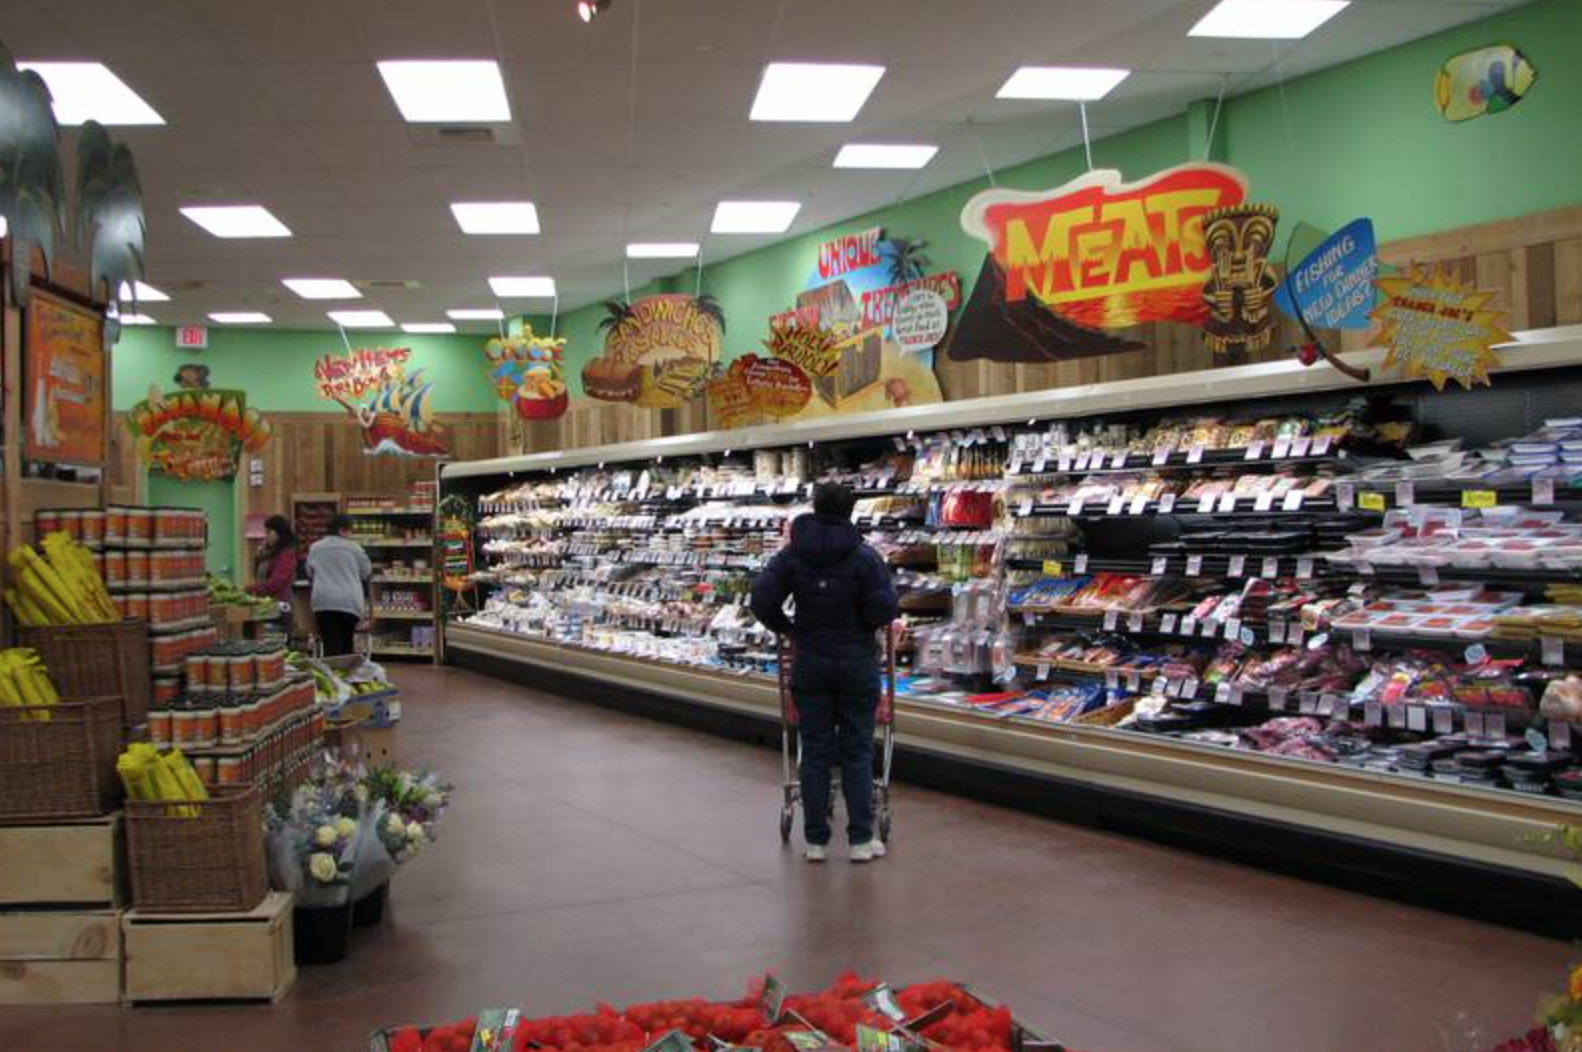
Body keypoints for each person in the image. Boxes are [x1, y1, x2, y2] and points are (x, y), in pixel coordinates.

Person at [750, 481, 899, 864]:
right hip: (855, 662)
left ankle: (815, 841)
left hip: (811, 661)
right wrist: (862, 624)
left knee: (814, 751)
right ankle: (861, 841)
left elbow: (762, 598)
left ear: (815, 507)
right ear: (850, 510)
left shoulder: (792, 555)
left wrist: (786, 627)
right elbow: (885, 608)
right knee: (857, 749)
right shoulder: (864, 556)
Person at [306, 514, 371, 657]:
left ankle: (333, 673)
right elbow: (366, 572)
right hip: (349, 601)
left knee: (330, 643)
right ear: (342, 530)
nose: (351, 534)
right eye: (350, 530)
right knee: (347, 642)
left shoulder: (315, 548)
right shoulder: (355, 548)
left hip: (323, 601)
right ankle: (346, 675)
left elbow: (309, 572)